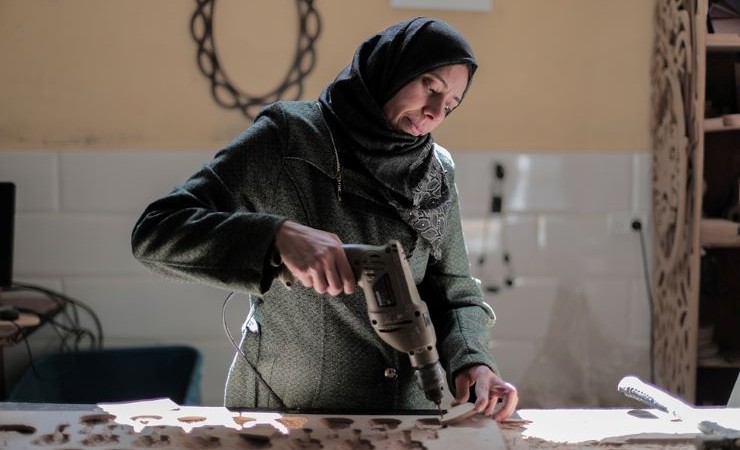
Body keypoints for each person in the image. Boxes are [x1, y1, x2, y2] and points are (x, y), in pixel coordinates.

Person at [131, 16, 518, 422]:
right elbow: (156, 233)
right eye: (430, 87)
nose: (436, 112)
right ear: (390, 69)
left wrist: (475, 363)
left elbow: (454, 290)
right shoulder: (290, 138)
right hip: (289, 419)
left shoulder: (435, 171)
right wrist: (276, 238)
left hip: (403, 418)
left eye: (451, 105)